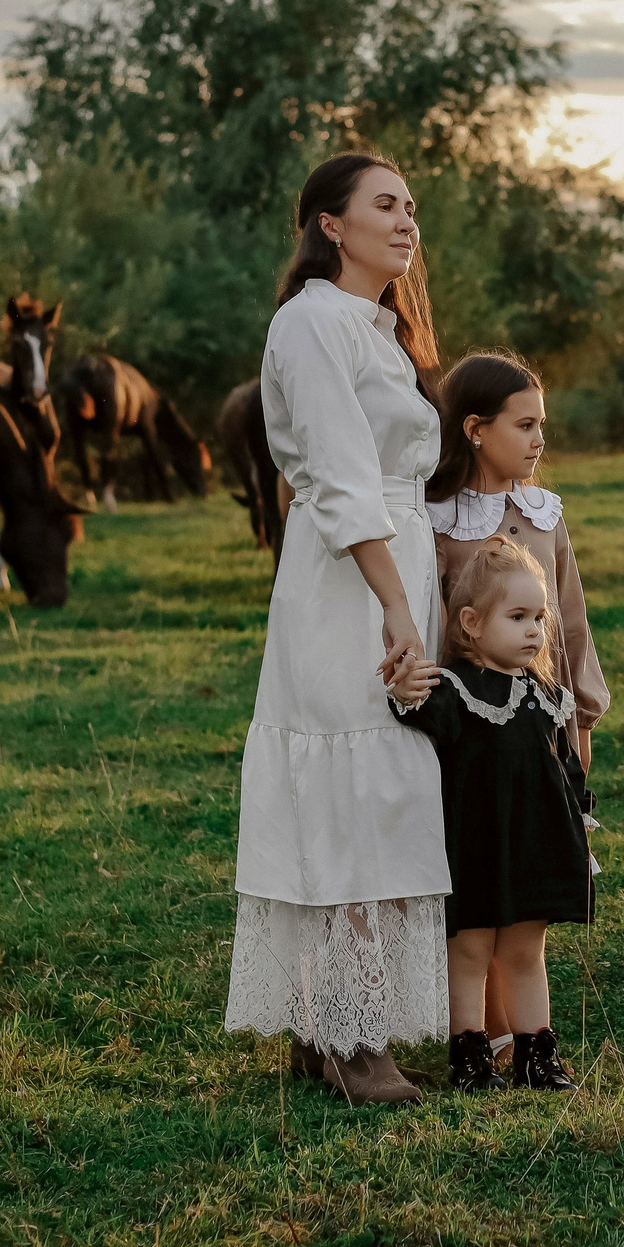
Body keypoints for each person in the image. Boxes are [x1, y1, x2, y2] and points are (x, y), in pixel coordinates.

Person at [222, 153, 448, 1107]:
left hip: (397, 566)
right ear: (330, 224)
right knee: (355, 793)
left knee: (387, 787)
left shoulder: (379, 331)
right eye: (385, 205)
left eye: (411, 208)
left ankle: (331, 1024)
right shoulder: (311, 322)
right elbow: (343, 477)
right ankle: (351, 1036)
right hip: (350, 578)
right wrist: (393, 603)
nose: (406, 223)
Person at [425, 352, 610, 1064]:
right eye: (524, 425)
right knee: (480, 886)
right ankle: (485, 1032)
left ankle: (522, 1036)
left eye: (542, 424)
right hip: (469, 737)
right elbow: (433, 624)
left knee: (529, 877)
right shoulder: (437, 523)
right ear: (475, 429)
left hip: (540, 723)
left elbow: (569, 621)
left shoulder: (544, 515)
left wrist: (580, 714)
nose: (539, 439)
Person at [386, 537, 595, 1092]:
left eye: (540, 619)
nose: (534, 631)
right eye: (517, 617)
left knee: (526, 951)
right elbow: (413, 712)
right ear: (472, 623)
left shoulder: (545, 693)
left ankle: (536, 1056)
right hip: (474, 849)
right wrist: (404, 691)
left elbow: (565, 767)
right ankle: (471, 1057)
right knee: (471, 950)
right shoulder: (454, 690)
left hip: (533, 845)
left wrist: (580, 818)